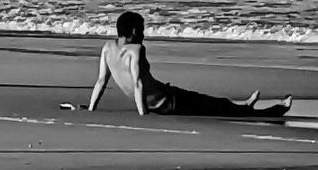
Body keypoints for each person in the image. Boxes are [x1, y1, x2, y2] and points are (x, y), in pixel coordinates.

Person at [87, 11, 291, 118]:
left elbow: (100, 82)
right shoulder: (136, 50)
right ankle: (271, 111)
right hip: (169, 101)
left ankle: (247, 107)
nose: (144, 34)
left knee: (216, 106)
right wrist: (143, 115)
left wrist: (90, 109)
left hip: (160, 102)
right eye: (141, 29)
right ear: (133, 31)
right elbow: (138, 83)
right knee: (215, 106)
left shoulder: (107, 48)